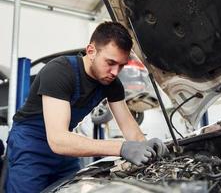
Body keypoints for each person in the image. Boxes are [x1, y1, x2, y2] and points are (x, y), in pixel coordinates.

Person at [5, 21, 169, 192]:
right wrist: (121, 147)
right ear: (91, 51)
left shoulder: (112, 83)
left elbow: (130, 129)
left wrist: (147, 146)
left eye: (121, 65)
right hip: (31, 143)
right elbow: (58, 140)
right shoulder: (59, 71)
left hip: (66, 146)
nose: (115, 72)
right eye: (110, 62)